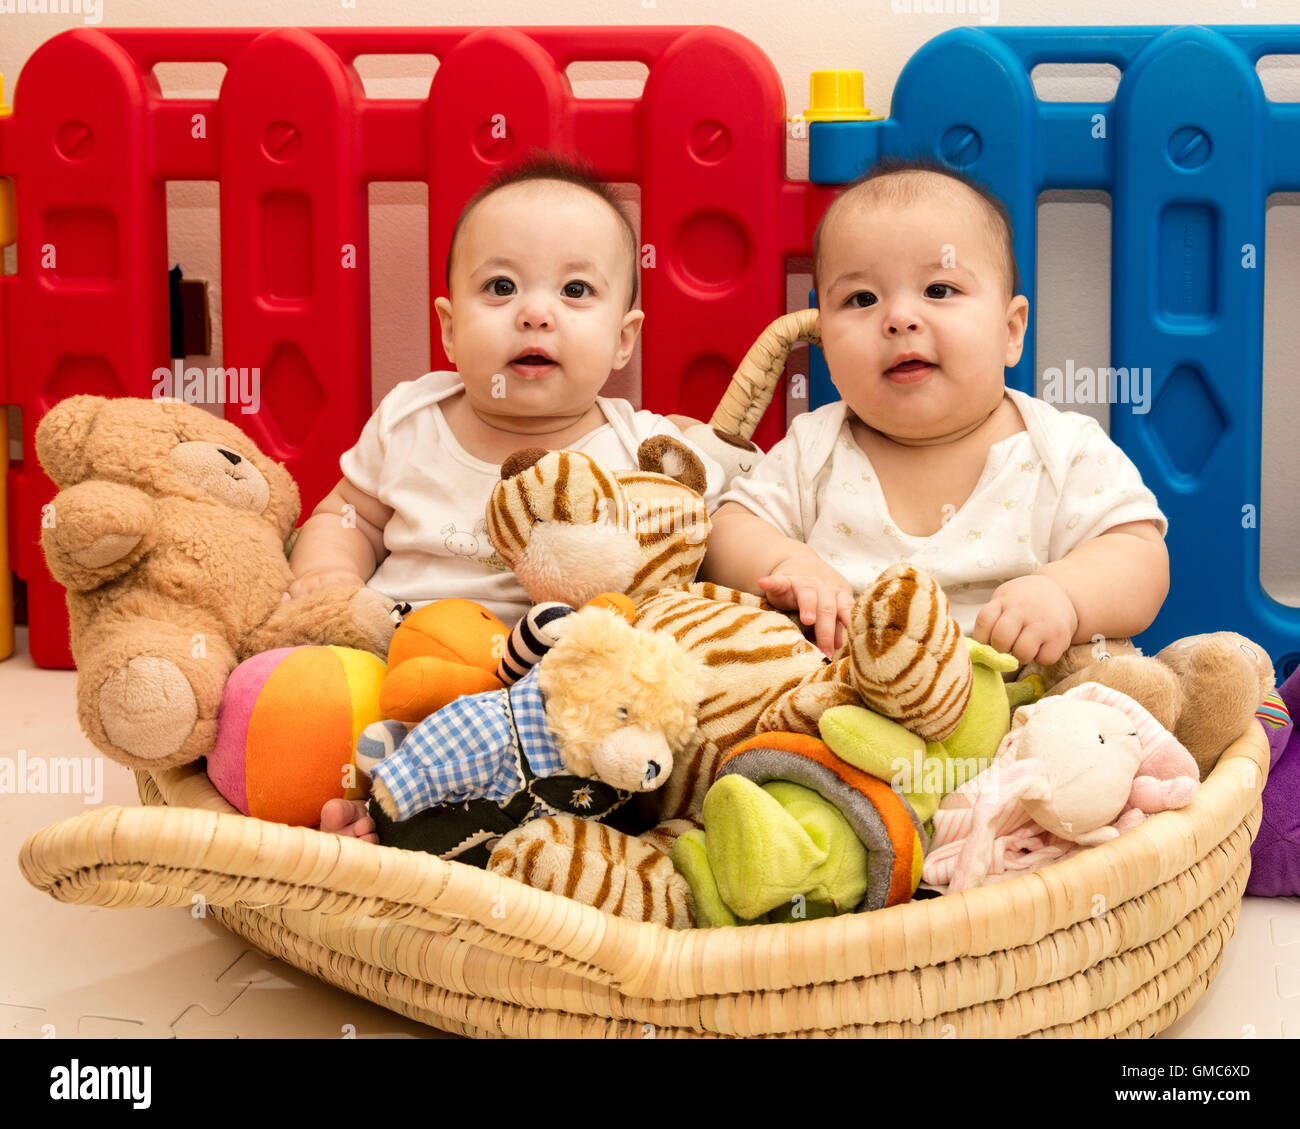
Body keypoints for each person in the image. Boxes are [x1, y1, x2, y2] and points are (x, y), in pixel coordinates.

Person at [296, 151, 723, 839]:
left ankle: (456, 827)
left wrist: (786, 562)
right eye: (499, 287)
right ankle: (357, 802)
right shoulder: (410, 420)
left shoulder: (637, 450)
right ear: (447, 326)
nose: (534, 313)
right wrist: (327, 575)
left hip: (541, 704)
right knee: (305, 697)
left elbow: (717, 529)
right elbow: (347, 514)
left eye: (575, 291)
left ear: (623, 338)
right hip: (397, 663)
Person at [701, 155, 1169, 664]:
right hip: (845, 714)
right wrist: (789, 561)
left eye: (939, 290)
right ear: (826, 345)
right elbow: (725, 532)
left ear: (1010, 331)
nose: (900, 318)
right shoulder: (814, 448)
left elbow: (1141, 557)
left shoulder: (1062, 450)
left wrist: (1066, 595)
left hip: (1018, 713)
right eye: (861, 299)